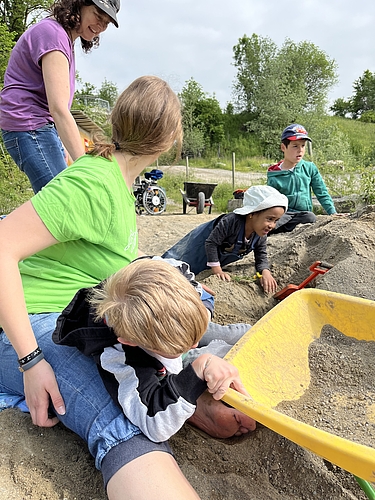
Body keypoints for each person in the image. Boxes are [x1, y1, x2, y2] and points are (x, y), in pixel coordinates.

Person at [0, 76, 255, 500]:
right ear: (173, 139)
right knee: (113, 416)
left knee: (167, 308)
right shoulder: (92, 185)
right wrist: (31, 362)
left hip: (85, 312)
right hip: (25, 325)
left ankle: (183, 392)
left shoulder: (118, 185)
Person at [53, 257, 254, 443]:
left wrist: (195, 292)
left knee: (243, 334)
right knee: (214, 354)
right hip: (162, 355)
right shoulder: (121, 354)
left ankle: (194, 362)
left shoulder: (164, 270)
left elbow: (182, 269)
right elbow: (154, 423)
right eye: (180, 347)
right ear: (131, 341)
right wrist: (198, 371)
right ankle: (189, 393)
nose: (193, 343)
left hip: (183, 318)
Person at [0, 0, 120, 194]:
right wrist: (85, 166)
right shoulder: (53, 34)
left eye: (106, 23)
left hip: (37, 127)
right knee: (63, 205)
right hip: (29, 126)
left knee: (55, 207)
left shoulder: (62, 38)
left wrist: (58, 143)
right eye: (98, 16)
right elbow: (59, 109)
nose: (100, 26)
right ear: (79, 5)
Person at [162, 185, 288, 294]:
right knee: (175, 268)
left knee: (191, 276)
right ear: (252, 214)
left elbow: (261, 255)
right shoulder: (231, 222)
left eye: (276, 221)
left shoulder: (260, 235)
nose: (272, 225)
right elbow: (211, 243)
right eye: (269, 219)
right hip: (198, 248)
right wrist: (217, 271)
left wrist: (265, 271)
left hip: (212, 259)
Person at [267, 123, 337, 234]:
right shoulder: (275, 175)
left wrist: (332, 212)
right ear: (283, 147)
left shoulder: (309, 168)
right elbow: (271, 202)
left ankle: (283, 229)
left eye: (303, 146)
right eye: (295, 146)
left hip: (302, 214)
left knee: (310, 217)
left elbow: (321, 192)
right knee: (270, 223)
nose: (300, 150)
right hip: (284, 214)